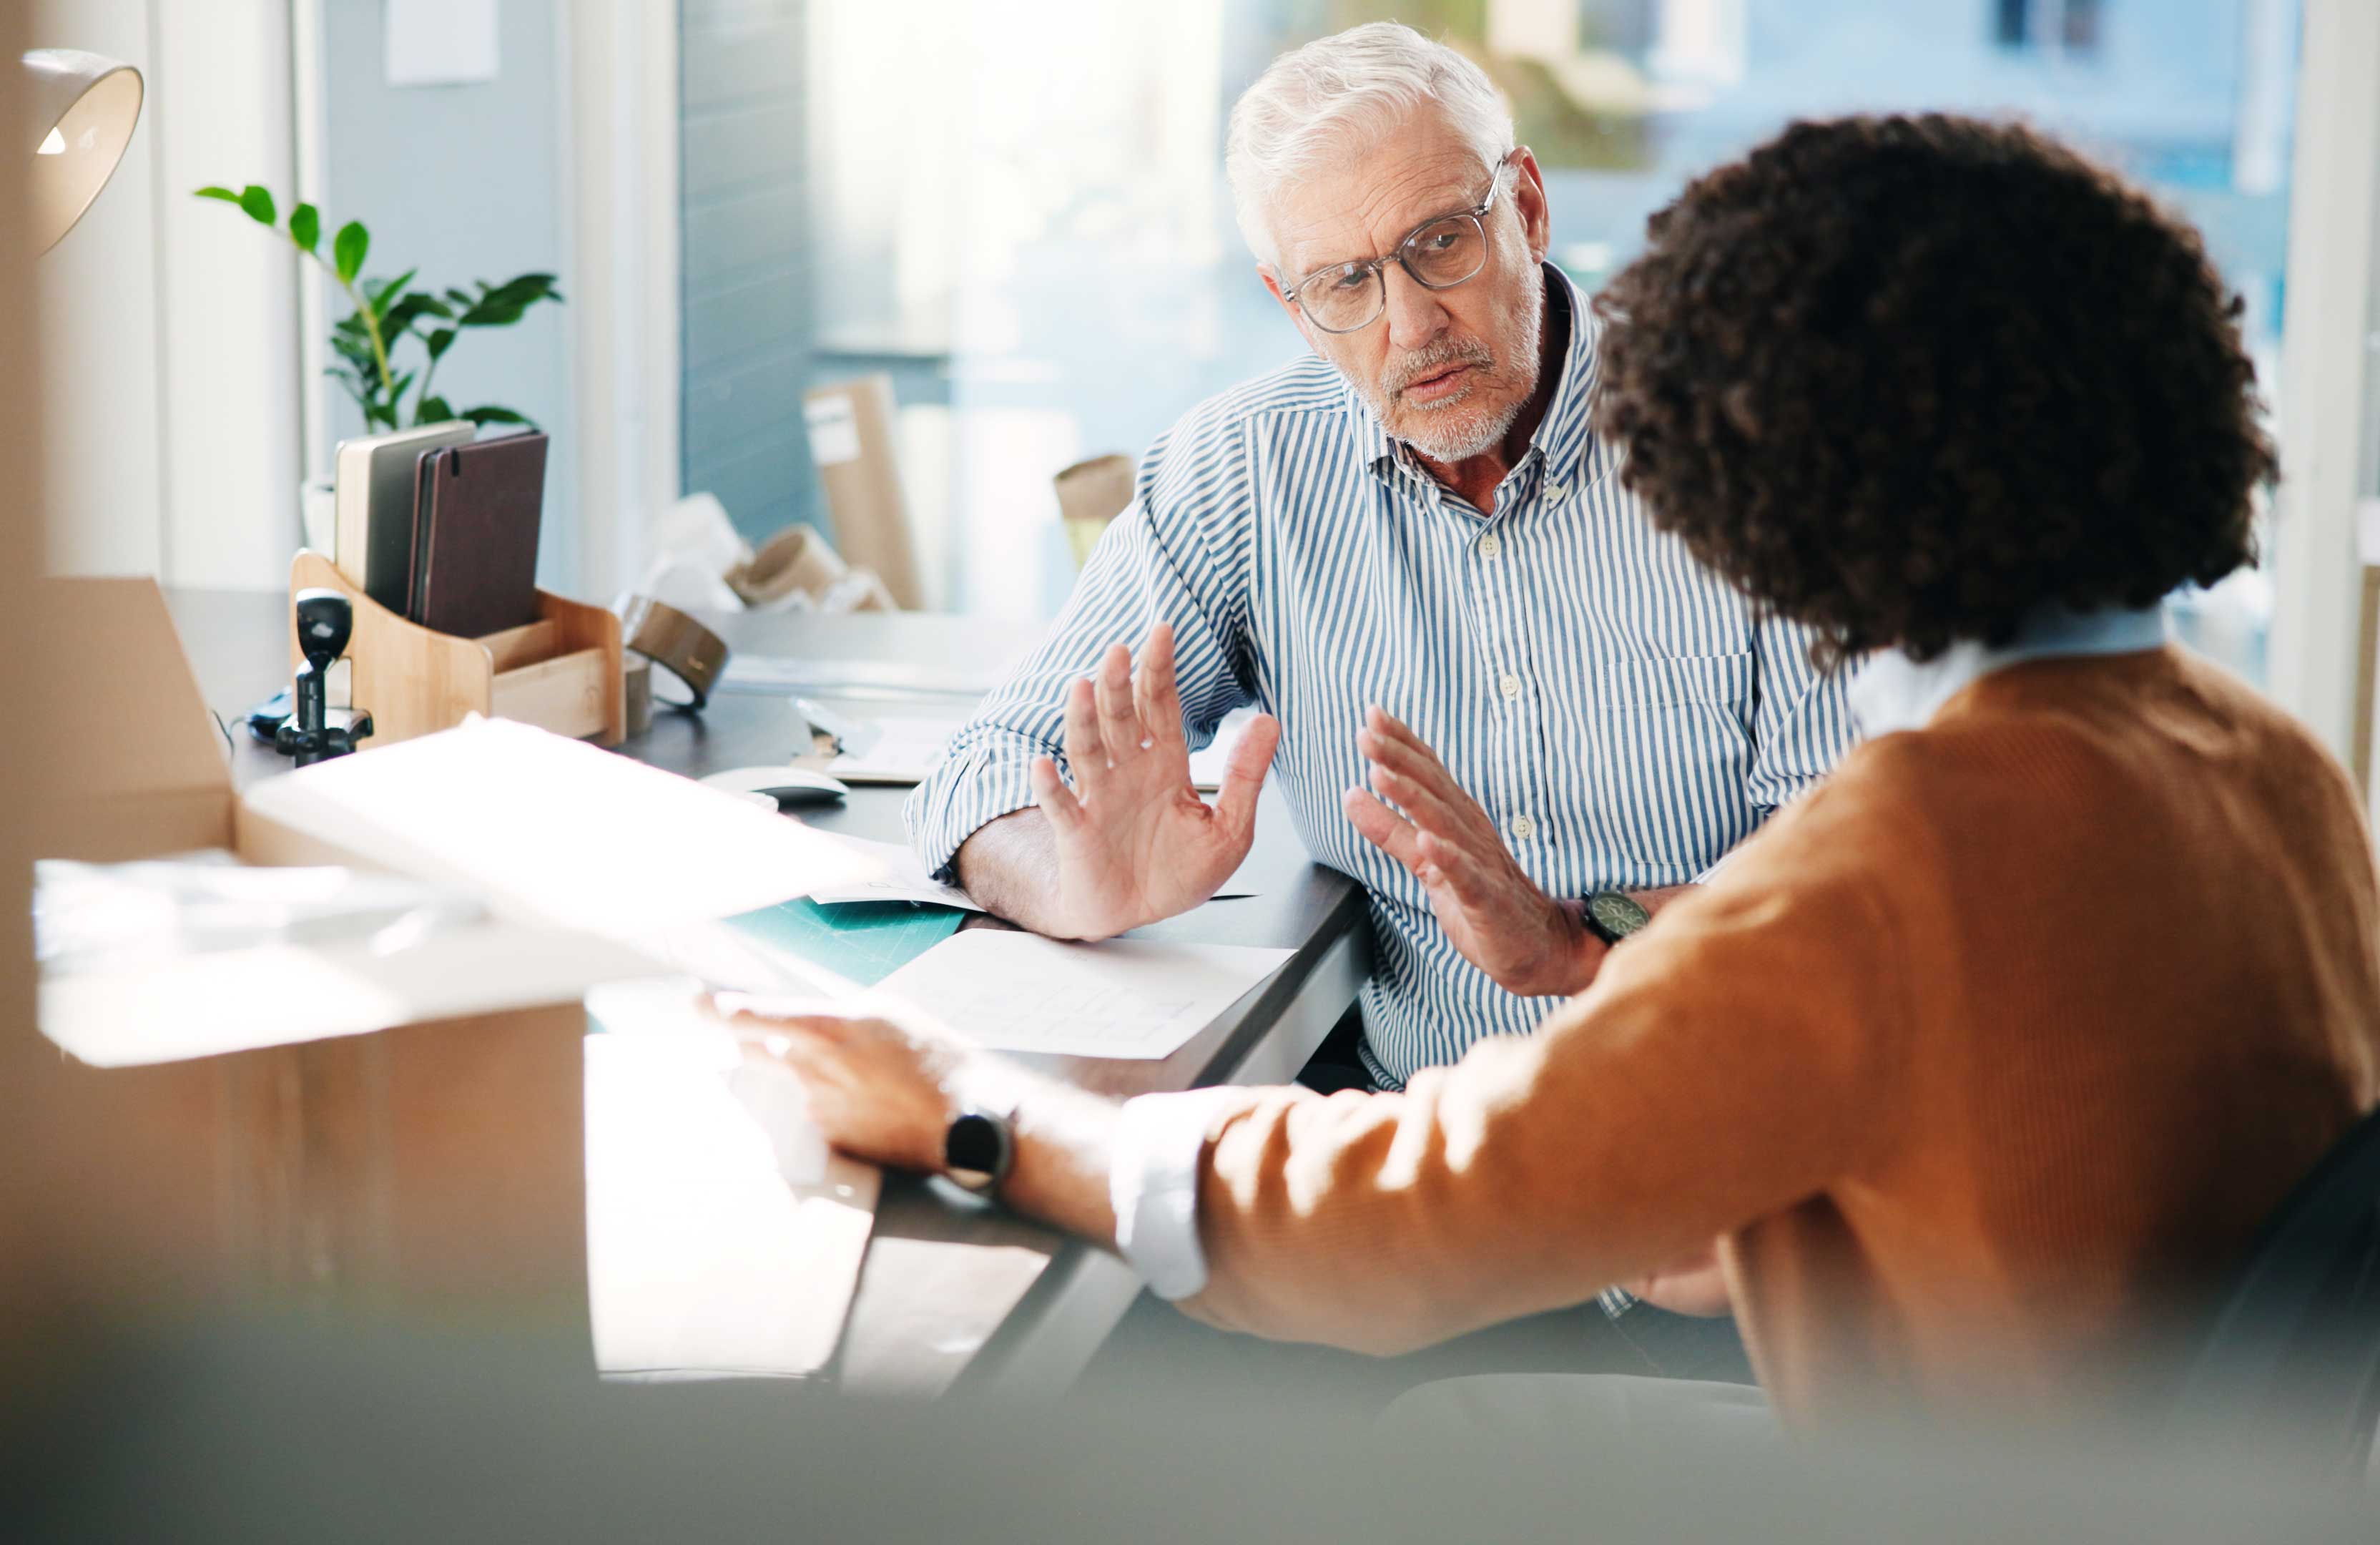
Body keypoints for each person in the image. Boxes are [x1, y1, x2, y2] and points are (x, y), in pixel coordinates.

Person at [723, 112, 2380, 1427]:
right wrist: (1618, 995)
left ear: (1790, 476)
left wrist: (974, 1117)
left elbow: (1400, 1229)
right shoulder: (2268, 768)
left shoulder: (1905, 857)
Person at [907, 20, 1853, 1107]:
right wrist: (1069, 883)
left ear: (1528, 209)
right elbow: (982, 770)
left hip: (1745, 1153)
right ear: (1291, 306)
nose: (1410, 325)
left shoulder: (1753, 443)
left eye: (1441, 242)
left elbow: (1854, 872)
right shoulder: (1246, 471)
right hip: (1428, 1175)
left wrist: (1582, 932)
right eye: (1345, 285)